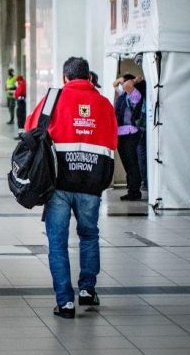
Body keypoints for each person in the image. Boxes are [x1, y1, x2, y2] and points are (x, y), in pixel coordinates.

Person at [25, 56, 118, 319]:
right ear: (89, 78)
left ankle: (65, 302)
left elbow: (30, 129)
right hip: (91, 183)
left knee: (58, 242)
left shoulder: (53, 99)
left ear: (65, 78)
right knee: (89, 235)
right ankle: (87, 290)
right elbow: (112, 140)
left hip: (58, 184)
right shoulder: (103, 103)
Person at [113, 73, 144, 201]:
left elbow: (127, 85)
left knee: (132, 164)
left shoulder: (135, 95)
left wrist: (135, 79)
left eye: (124, 82)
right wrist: (119, 81)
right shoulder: (123, 95)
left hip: (131, 133)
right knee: (127, 164)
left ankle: (135, 191)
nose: (122, 84)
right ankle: (131, 189)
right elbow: (114, 84)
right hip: (120, 134)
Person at [14, 75, 27, 139]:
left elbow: (17, 94)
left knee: (20, 118)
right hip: (21, 102)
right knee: (21, 118)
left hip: (20, 102)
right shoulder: (23, 84)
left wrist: (17, 87)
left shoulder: (21, 85)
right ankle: (21, 133)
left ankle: (21, 134)